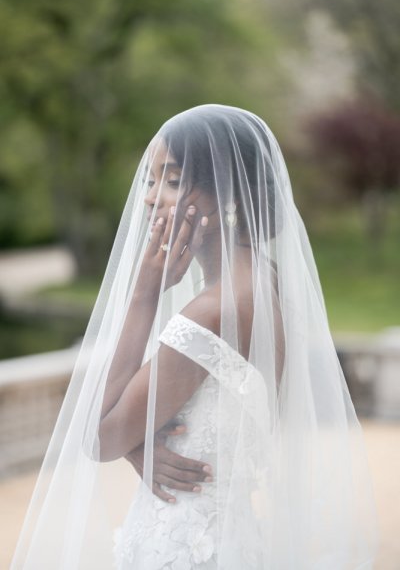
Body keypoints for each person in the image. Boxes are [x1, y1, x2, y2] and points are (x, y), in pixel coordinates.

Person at [12, 104, 377, 569]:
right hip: (231, 536)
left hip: (183, 549)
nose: (150, 198)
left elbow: (98, 437)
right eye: (150, 180)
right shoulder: (267, 281)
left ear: (225, 194)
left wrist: (144, 295)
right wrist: (139, 448)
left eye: (171, 178)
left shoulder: (212, 311)